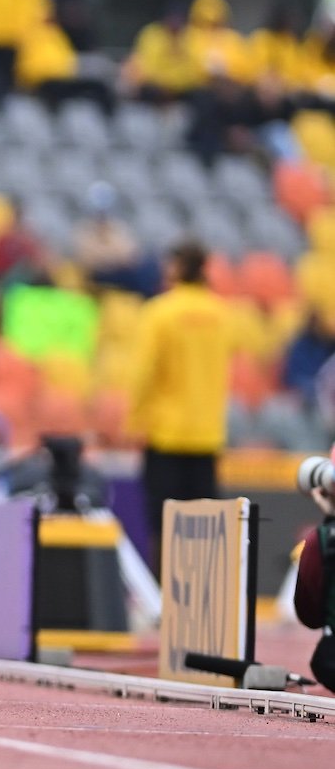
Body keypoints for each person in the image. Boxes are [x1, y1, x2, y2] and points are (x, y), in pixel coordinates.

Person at [127, 240, 234, 575]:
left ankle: (165, 596)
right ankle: (202, 596)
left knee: (164, 524)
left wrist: (133, 422)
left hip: (166, 434)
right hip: (207, 436)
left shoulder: (160, 312)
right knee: (204, 527)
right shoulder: (222, 314)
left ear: (175, 268)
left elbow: (143, 374)